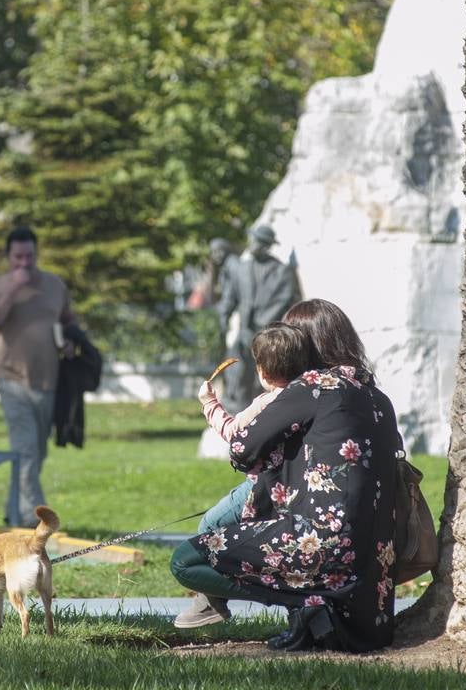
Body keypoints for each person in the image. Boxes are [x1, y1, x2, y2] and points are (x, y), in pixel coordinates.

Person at [171, 298, 400, 653]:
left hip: (318, 545)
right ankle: (311, 610)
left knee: (185, 560)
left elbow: (242, 448)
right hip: (372, 564)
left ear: (305, 344)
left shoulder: (312, 386)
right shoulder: (376, 395)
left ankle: (305, 604)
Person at [174, 321, 318, 628]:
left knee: (210, 527)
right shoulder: (311, 396)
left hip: (262, 488)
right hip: (294, 491)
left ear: (262, 371)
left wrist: (209, 403)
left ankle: (210, 601)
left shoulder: (267, 402)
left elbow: (234, 434)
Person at [0, 226, 75, 526]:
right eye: (18, 257)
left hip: (48, 381)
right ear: (8, 257)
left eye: (29, 256)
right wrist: (13, 288)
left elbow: (69, 320)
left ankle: (13, 513)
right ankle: (35, 520)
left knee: (35, 455)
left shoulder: (54, 285)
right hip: (11, 380)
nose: (24, 263)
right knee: (26, 451)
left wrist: (70, 343)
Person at [216, 224, 299, 415]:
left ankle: (265, 413)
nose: (251, 244)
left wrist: (265, 323)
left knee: (268, 374)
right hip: (245, 331)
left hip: (269, 333)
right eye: (251, 240)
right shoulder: (241, 269)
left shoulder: (282, 271)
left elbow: (285, 300)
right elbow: (231, 297)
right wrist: (224, 315)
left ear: (266, 245)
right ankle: (237, 412)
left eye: (256, 241)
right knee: (236, 370)